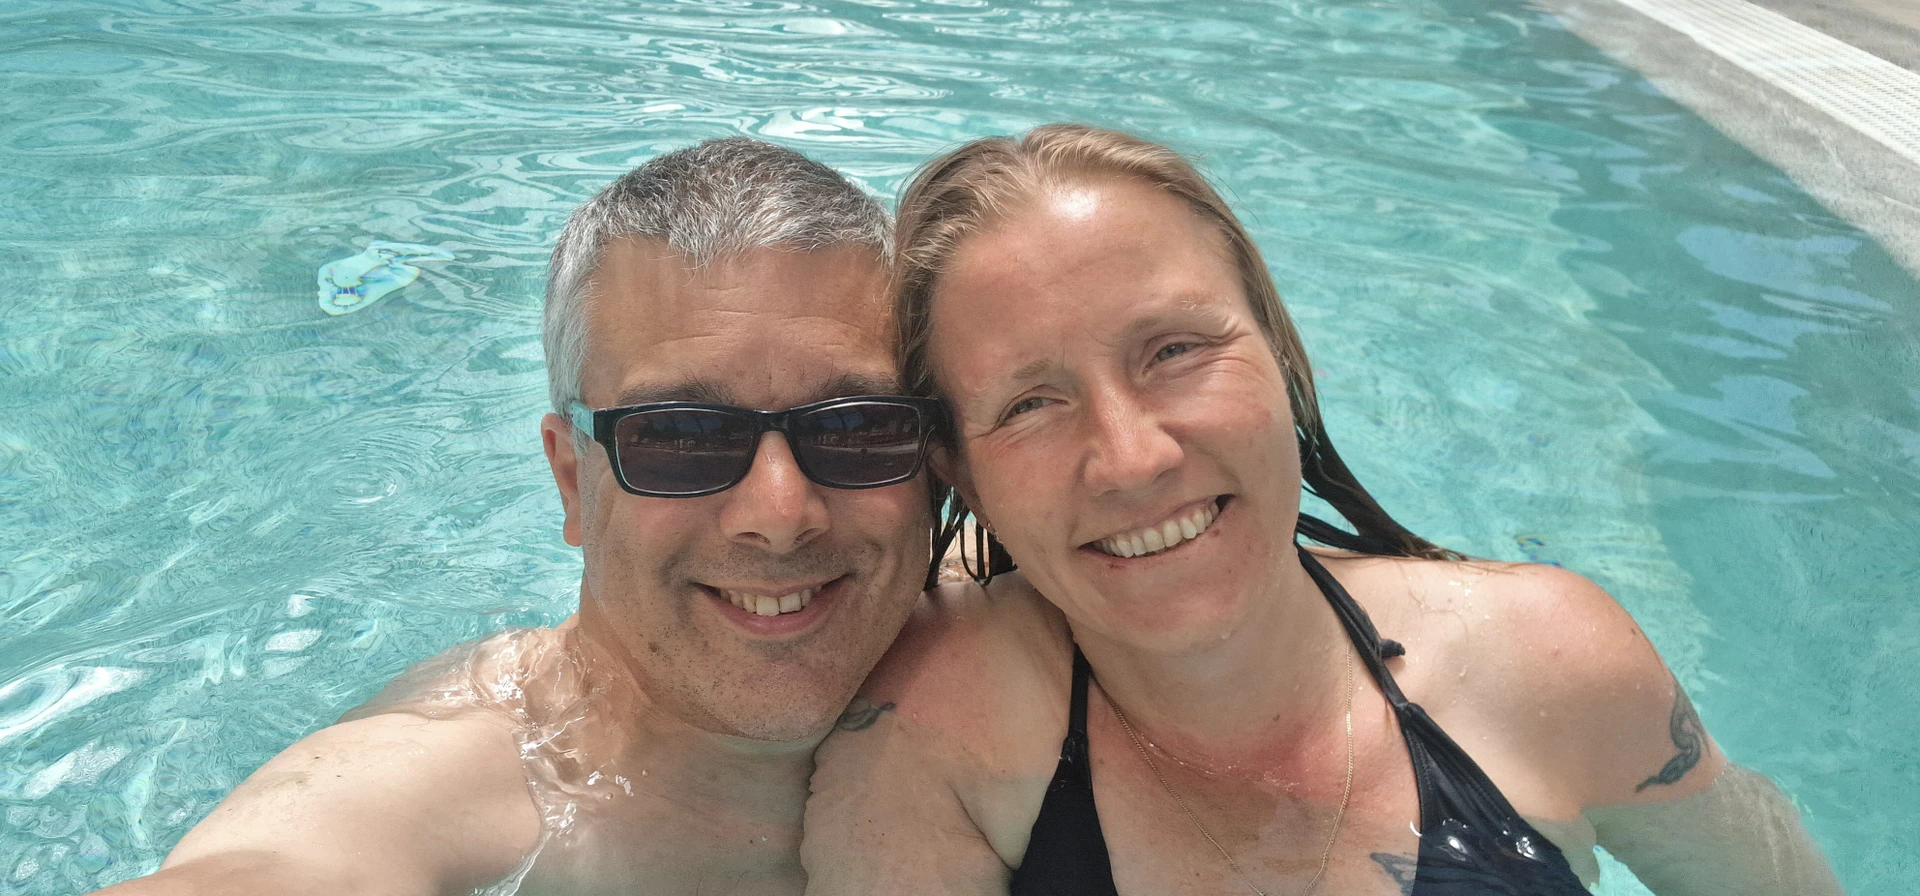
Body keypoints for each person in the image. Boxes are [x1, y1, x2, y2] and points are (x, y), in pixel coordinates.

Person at [802, 124, 1844, 895]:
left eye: (1174, 350)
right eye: (1030, 403)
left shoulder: (1545, 666)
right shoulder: (929, 739)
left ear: (1282, 355)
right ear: (961, 471)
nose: (1132, 458)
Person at [93, 137, 940, 896]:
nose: (782, 514)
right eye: (680, 438)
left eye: (857, 427)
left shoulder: (995, 623)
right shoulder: (453, 794)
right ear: (572, 480)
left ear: (941, 465)